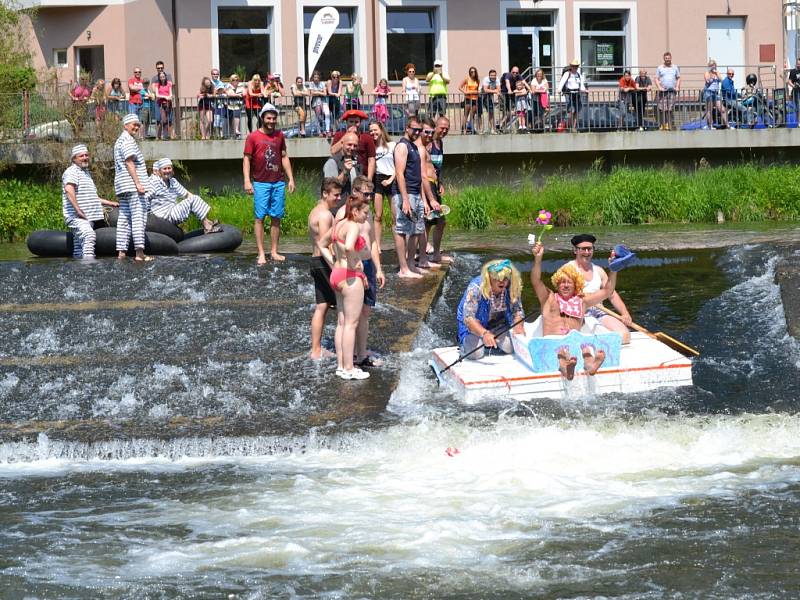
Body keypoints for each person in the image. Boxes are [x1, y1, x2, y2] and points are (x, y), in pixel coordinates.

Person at [530, 241, 619, 380]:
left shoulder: (582, 301)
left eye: (569, 282)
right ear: (557, 283)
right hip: (551, 345)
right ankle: (565, 367)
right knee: (562, 351)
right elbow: (535, 280)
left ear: (575, 284)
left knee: (585, 348)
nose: (565, 285)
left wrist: (613, 270)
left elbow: (608, 291)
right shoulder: (548, 298)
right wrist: (538, 259)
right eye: (562, 282)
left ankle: (590, 365)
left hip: (574, 347)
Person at [318, 193, 372, 380]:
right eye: (365, 212)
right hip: (350, 277)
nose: (366, 216)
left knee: (341, 322)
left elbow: (322, 244)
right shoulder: (353, 226)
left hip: (336, 275)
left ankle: (341, 365)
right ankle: (349, 368)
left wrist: (333, 262)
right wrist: (354, 264)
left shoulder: (338, 223)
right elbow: (349, 247)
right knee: (351, 324)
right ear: (355, 211)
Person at [333, 177, 386, 368]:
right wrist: (344, 264)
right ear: (354, 192)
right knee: (345, 317)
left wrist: (378, 268)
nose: (370, 198)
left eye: (371, 194)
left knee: (365, 311)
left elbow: (372, 242)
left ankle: (361, 354)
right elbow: (333, 241)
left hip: (367, 265)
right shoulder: (343, 213)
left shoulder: (366, 212)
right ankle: (345, 362)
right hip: (350, 268)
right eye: (365, 194)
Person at [243, 102, 296, 264]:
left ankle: (273, 251)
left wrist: (291, 178)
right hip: (260, 183)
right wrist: (247, 180)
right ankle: (261, 253)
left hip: (278, 182)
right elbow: (247, 159)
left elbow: (284, 156)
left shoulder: (280, 136)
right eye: (269, 118)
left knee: (276, 217)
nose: (272, 121)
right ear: (262, 118)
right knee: (259, 218)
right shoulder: (253, 137)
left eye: (274, 118)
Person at [565, 233, 632, 344]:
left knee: (624, 336)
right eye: (583, 249)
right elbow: (565, 295)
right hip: (578, 314)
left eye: (589, 249)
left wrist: (625, 313)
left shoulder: (598, 270)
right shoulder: (568, 269)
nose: (587, 252)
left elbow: (612, 294)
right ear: (575, 250)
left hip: (599, 311)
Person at [456, 259, 525, 360]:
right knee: (476, 353)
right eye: (497, 278)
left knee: (510, 347)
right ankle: (464, 344)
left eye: (505, 278)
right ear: (489, 278)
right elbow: (468, 318)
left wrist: (518, 326)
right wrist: (484, 333)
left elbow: (517, 311)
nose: (502, 281)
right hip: (473, 327)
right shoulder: (476, 287)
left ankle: (490, 345)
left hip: (498, 325)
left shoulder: (511, 286)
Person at [62, 144, 118, 259]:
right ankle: (89, 266)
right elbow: (68, 190)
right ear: (74, 159)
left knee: (78, 245)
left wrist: (110, 203)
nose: (85, 157)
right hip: (77, 216)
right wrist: (78, 210)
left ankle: (78, 268)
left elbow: (92, 197)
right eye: (81, 156)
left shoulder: (86, 173)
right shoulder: (72, 171)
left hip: (88, 216)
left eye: (86, 155)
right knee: (89, 235)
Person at [308, 177, 342, 359]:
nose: (338, 199)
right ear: (325, 194)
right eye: (335, 196)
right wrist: (337, 268)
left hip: (315, 261)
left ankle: (316, 350)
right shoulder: (325, 215)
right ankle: (345, 350)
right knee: (343, 307)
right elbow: (325, 244)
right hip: (324, 262)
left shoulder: (315, 211)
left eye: (340, 195)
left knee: (322, 306)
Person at [113, 113, 152, 261]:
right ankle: (140, 254)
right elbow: (129, 162)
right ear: (125, 125)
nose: (137, 127)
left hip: (122, 186)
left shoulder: (119, 141)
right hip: (132, 186)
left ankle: (121, 253)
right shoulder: (128, 141)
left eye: (138, 124)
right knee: (138, 217)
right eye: (134, 124)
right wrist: (138, 183)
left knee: (124, 219)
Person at [148, 158, 221, 234]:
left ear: (172, 170)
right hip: (163, 217)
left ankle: (206, 222)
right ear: (159, 171)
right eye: (164, 169)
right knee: (193, 199)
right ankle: (207, 227)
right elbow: (146, 196)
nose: (167, 171)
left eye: (169, 168)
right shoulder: (154, 182)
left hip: (173, 212)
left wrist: (198, 206)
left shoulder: (173, 182)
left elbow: (187, 194)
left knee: (194, 198)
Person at [392, 116, 426, 279]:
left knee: (416, 230)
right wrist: (405, 199)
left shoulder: (414, 146)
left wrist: (422, 199)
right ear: (407, 128)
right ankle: (403, 268)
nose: (417, 132)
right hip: (405, 194)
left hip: (415, 193)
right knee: (401, 229)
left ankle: (411, 264)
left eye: (419, 130)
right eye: (415, 129)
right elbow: (399, 173)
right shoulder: (402, 146)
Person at [425, 115, 451, 265]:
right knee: (428, 222)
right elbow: (425, 169)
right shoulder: (428, 144)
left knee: (440, 222)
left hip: (435, 186)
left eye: (447, 129)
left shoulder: (440, 143)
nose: (444, 131)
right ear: (435, 127)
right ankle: (423, 254)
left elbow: (437, 168)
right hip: (427, 186)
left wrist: (440, 182)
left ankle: (434, 253)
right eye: (442, 128)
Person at [413, 117, 438, 270]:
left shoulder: (424, 146)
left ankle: (421, 257)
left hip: (426, 189)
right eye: (426, 132)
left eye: (431, 132)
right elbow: (422, 176)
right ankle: (420, 259)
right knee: (420, 226)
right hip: (421, 192)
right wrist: (429, 199)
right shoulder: (420, 148)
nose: (429, 135)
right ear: (420, 131)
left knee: (424, 226)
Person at [369, 120, 395, 250]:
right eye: (371, 131)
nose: (373, 132)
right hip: (378, 180)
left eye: (375, 129)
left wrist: (391, 179)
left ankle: (399, 245)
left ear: (381, 129)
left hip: (391, 179)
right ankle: (377, 246)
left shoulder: (392, 145)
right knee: (378, 216)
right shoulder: (372, 148)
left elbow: (400, 166)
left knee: (395, 217)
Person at [330, 108, 376, 181]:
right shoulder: (339, 135)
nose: (354, 124)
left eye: (356, 122)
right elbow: (333, 151)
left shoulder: (367, 138)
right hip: (343, 174)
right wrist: (347, 135)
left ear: (360, 123)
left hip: (362, 176)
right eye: (351, 122)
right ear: (346, 122)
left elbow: (371, 159)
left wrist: (369, 179)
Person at [323, 132, 361, 209]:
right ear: (342, 144)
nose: (352, 148)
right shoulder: (332, 162)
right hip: (336, 210)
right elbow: (330, 187)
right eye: (349, 144)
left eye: (355, 145)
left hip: (352, 210)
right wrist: (345, 171)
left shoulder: (357, 163)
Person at [558, 59, 585, 132]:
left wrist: (584, 90)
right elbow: (562, 82)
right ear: (571, 66)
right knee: (571, 110)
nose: (575, 67)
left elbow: (581, 84)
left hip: (577, 93)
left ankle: (573, 127)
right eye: (573, 66)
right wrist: (559, 90)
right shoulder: (567, 74)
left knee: (576, 110)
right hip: (569, 93)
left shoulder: (578, 74)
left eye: (576, 66)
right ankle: (569, 126)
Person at [656, 51, 681, 131]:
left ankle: (669, 125)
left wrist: (677, 86)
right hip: (663, 92)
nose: (667, 59)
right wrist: (659, 87)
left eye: (668, 58)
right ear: (664, 59)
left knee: (670, 109)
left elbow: (678, 78)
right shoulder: (660, 68)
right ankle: (663, 125)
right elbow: (656, 78)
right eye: (666, 58)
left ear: (671, 58)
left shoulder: (675, 67)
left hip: (672, 91)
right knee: (662, 109)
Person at [703, 59, 728, 129]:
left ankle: (727, 125)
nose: (712, 66)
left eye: (713, 65)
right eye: (711, 65)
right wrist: (711, 76)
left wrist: (716, 74)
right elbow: (707, 81)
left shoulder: (717, 72)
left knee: (722, 109)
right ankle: (710, 126)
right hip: (709, 92)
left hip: (716, 93)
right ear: (709, 66)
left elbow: (721, 80)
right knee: (709, 109)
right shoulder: (707, 73)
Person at [308, 70, 330, 137]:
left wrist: (317, 92)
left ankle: (327, 130)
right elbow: (311, 93)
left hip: (324, 101)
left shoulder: (322, 83)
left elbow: (325, 93)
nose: (316, 79)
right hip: (315, 102)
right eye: (315, 77)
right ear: (313, 78)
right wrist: (320, 92)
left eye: (317, 77)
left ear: (319, 78)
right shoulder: (311, 84)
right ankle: (319, 131)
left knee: (326, 114)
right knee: (318, 116)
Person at [459, 66, 480, 134]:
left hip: (475, 99)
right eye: (471, 72)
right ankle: (464, 129)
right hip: (468, 98)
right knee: (466, 114)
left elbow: (478, 89)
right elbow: (459, 87)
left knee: (472, 114)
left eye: (474, 71)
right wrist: (465, 92)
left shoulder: (477, 80)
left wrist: (477, 92)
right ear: (469, 72)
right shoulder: (467, 79)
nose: (473, 73)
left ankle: (470, 128)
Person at [225, 73, 246, 139]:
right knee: (230, 120)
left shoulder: (241, 85)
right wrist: (238, 95)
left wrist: (238, 94)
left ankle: (236, 131)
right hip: (229, 105)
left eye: (237, 80)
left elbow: (244, 93)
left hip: (237, 105)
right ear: (231, 80)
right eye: (233, 80)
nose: (235, 81)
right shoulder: (228, 86)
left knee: (236, 116)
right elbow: (229, 93)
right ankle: (231, 134)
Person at [154, 70, 173, 140]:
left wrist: (170, 97)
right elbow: (157, 95)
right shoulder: (157, 85)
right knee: (163, 119)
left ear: (165, 77)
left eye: (163, 76)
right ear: (159, 78)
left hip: (168, 103)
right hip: (161, 104)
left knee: (168, 120)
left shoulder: (168, 84)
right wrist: (165, 97)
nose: (162, 78)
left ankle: (164, 135)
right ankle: (160, 135)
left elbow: (170, 93)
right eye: (161, 77)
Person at [210, 67, 228, 138]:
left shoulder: (220, 82)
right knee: (215, 120)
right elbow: (212, 92)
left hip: (220, 104)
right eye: (214, 74)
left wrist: (218, 91)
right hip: (212, 104)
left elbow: (222, 90)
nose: (215, 75)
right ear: (211, 75)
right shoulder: (210, 83)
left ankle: (221, 135)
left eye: (217, 74)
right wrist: (216, 92)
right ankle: (215, 135)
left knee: (221, 120)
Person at [481, 69, 500, 133]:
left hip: (489, 97)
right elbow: (485, 90)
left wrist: (495, 91)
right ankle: (482, 129)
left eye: (494, 75)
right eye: (491, 75)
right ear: (489, 75)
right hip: (481, 96)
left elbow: (498, 89)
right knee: (481, 113)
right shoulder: (486, 79)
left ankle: (491, 129)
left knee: (491, 112)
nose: (493, 77)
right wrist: (495, 91)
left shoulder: (497, 79)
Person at [327, 70, 344, 136]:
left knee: (337, 116)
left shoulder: (340, 82)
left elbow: (339, 91)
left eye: (337, 77)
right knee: (329, 115)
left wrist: (337, 94)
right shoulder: (329, 82)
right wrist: (335, 94)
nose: (335, 78)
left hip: (336, 99)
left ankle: (335, 130)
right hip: (329, 99)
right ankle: (330, 130)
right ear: (331, 77)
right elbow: (329, 92)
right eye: (334, 77)